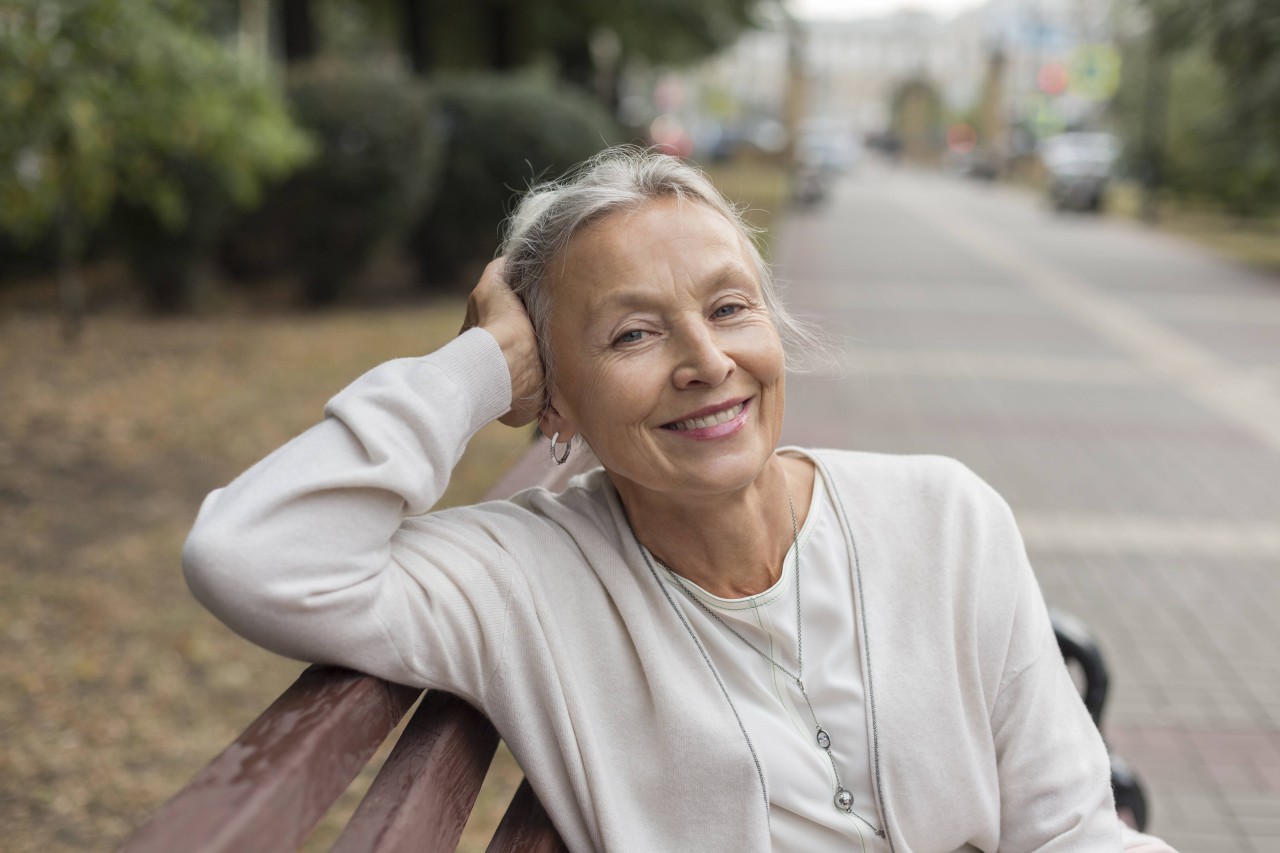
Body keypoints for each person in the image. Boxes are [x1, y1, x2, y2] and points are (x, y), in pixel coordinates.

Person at [184, 147, 1174, 852]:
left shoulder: (945, 518)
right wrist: (479, 367)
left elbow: (1068, 828)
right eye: (631, 335)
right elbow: (251, 554)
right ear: (554, 401)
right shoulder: (520, 580)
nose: (707, 363)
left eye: (729, 308)